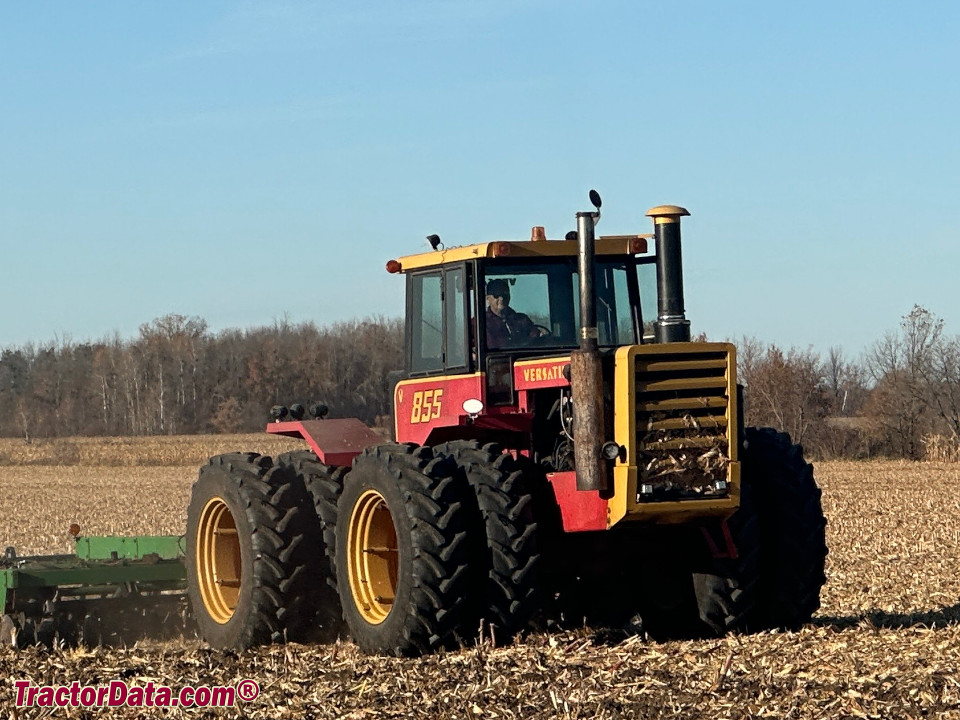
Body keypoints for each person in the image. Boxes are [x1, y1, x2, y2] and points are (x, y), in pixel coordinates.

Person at [485, 278, 546, 348]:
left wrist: (542, 336)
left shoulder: (522, 320)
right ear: (487, 298)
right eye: (496, 295)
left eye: (505, 294)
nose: (501, 298)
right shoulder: (479, 324)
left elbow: (536, 337)